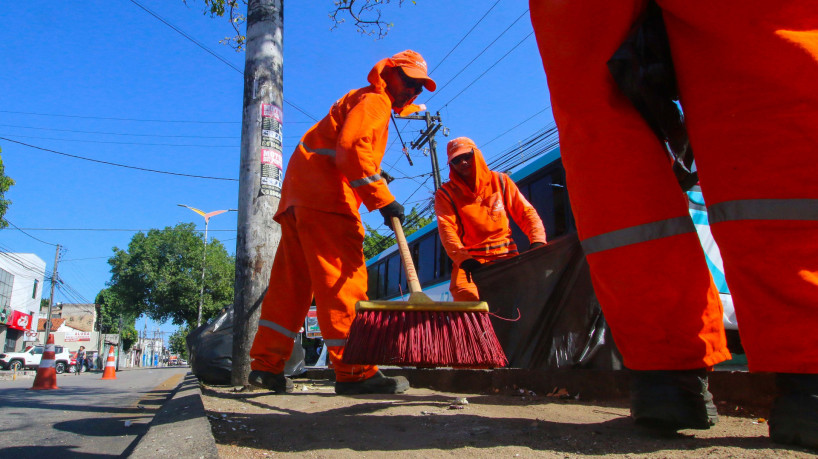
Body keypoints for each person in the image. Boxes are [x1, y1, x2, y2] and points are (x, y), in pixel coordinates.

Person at [529, 0, 817, 448]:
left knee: (597, 113)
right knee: (763, 62)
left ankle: (664, 379)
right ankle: (809, 375)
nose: (411, 95)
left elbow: (526, 212)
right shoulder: (376, 108)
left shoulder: (490, 183)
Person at [249, 50, 437, 395]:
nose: (411, 91)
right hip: (327, 201)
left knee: (291, 289)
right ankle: (355, 372)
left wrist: (374, 179)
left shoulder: (358, 100)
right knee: (343, 282)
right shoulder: (375, 101)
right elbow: (352, 148)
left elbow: (346, 149)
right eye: (407, 80)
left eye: (418, 87)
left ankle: (265, 366)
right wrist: (382, 198)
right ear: (388, 72)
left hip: (299, 200)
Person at [435, 137, 547, 301]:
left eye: (467, 156)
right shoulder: (445, 194)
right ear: (451, 165)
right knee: (465, 297)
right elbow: (447, 230)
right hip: (471, 262)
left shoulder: (500, 181)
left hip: (506, 256)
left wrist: (537, 241)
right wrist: (464, 260)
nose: (463, 162)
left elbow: (526, 213)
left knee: (523, 300)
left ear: (477, 154)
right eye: (456, 160)